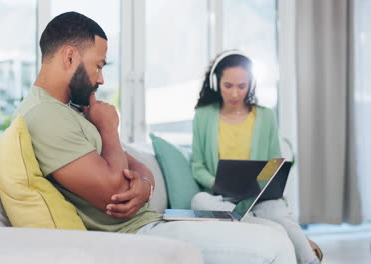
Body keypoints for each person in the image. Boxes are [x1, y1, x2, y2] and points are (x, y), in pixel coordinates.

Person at [15, 12, 296, 263]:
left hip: (153, 223)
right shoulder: (46, 116)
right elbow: (114, 189)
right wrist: (109, 128)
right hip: (137, 235)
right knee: (274, 246)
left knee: (272, 229)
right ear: (69, 57)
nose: (100, 79)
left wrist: (146, 187)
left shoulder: (73, 110)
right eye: (98, 66)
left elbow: (135, 165)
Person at [190, 50, 323, 263]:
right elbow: (197, 165)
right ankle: (256, 221)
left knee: (280, 214)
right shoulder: (203, 116)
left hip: (258, 197)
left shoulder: (265, 116)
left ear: (250, 84)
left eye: (241, 86)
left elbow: (274, 162)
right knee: (198, 200)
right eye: (228, 86)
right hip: (220, 198)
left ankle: (310, 260)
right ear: (216, 83)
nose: (234, 94)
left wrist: (264, 187)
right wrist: (215, 182)